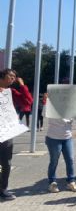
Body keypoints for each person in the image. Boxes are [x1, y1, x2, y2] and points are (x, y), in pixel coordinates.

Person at [0, 69, 32, 200]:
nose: (13, 79)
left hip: (6, 133)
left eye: (14, 77)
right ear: (2, 76)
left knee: (6, 163)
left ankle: (3, 189)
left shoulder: (11, 93)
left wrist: (22, 86)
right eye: (11, 76)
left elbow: (27, 102)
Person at [45, 118, 76, 193]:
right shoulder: (52, 106)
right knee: (54, 160)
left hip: (67, 137)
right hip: (53, 138)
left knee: (70, 159)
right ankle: (52, 182)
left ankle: (71, 181)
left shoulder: (70, 107)